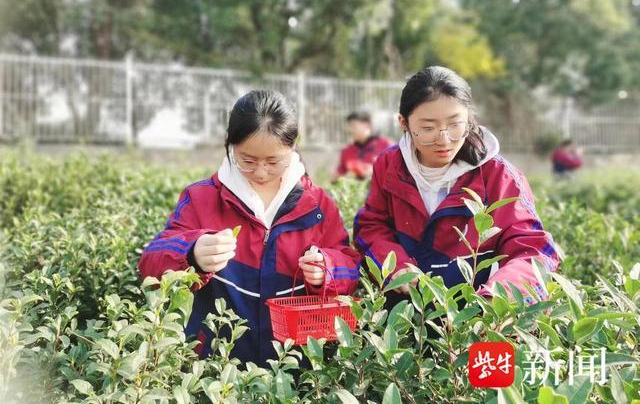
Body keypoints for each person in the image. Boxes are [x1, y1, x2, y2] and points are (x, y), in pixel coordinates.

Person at [139, 90, 360, 365]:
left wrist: (327, 269)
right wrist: (191, 252)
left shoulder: (317, 205)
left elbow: (351, 270)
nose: (261, 172)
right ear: (230, 145)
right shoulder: (201, 199)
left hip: (293, 367)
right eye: (248, 160)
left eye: (273, 162)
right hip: (217, 366)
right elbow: (150, 263)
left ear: (292, 148)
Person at [354, 66, 560, 305]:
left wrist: (498, 300)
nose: (444, 139)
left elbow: (533, 250)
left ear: (470, 118)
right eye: (428, 128)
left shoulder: (498, 175)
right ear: (404, 123)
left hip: (476, 318)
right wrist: (395, 266)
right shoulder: (390, 165)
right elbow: (371, 226)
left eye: (455, 125)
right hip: (404, 315)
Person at [332, 111, 393, 182]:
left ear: (367, 125)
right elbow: (339, 174)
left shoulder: (386, 145)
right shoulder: (346, 151)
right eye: (349, 126)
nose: (350, 130)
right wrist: (336, 177)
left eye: (353, 126)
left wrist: (376, 172)